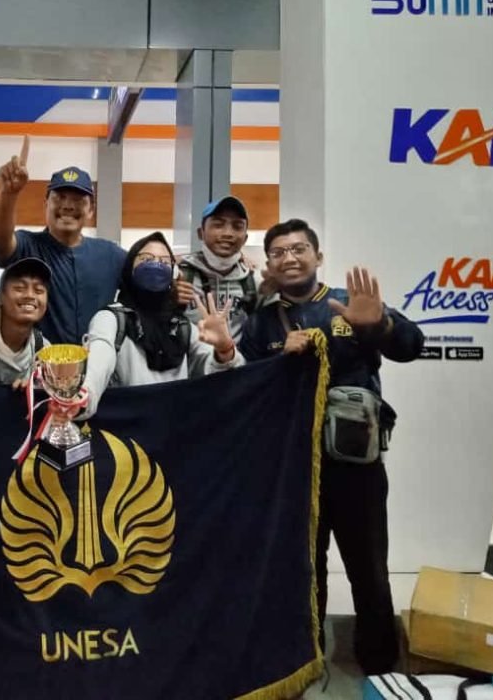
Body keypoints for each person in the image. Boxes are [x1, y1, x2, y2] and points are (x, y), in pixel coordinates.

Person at [240, 218, 424, 675]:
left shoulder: (348, 302)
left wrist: (379, 324)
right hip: (294, 469)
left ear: (318, 257)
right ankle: (308, 656)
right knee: (305, 569)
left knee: (369, 567)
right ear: (270, 264)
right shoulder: (261, 321)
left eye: (299, 249)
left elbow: (411, 345)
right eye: (279, 252)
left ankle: (379, 662)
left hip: (356, 467)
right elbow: (245, 385)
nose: (290, 258)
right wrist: (277, 355)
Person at [76, 232, 243, 418]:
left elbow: (220, 378)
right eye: (146, 259)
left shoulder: (181, 326)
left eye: (164, 261)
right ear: (130, 268)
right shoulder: (112, 319)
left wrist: (224, 348)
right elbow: (98, 366)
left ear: (173, 273)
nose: (156, 265)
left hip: (174, 430)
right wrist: (80, 400)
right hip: (128, 430)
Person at [0, 136, 125, 345]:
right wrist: (8, 194)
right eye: (59, 197)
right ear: (46, 205)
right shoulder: (28, 245)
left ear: (91, 210)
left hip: (99, 363)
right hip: (37, 362)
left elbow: (145, 280)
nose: (68, 205)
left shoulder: (111, 255)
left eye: (78, 200)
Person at [178, 196, 260, 341]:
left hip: (236, 355)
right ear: (201, 233)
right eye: (218, 225)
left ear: (245, 238)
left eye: (237, 226)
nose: (228, 233)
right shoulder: (179, 276)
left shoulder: (254, 281)